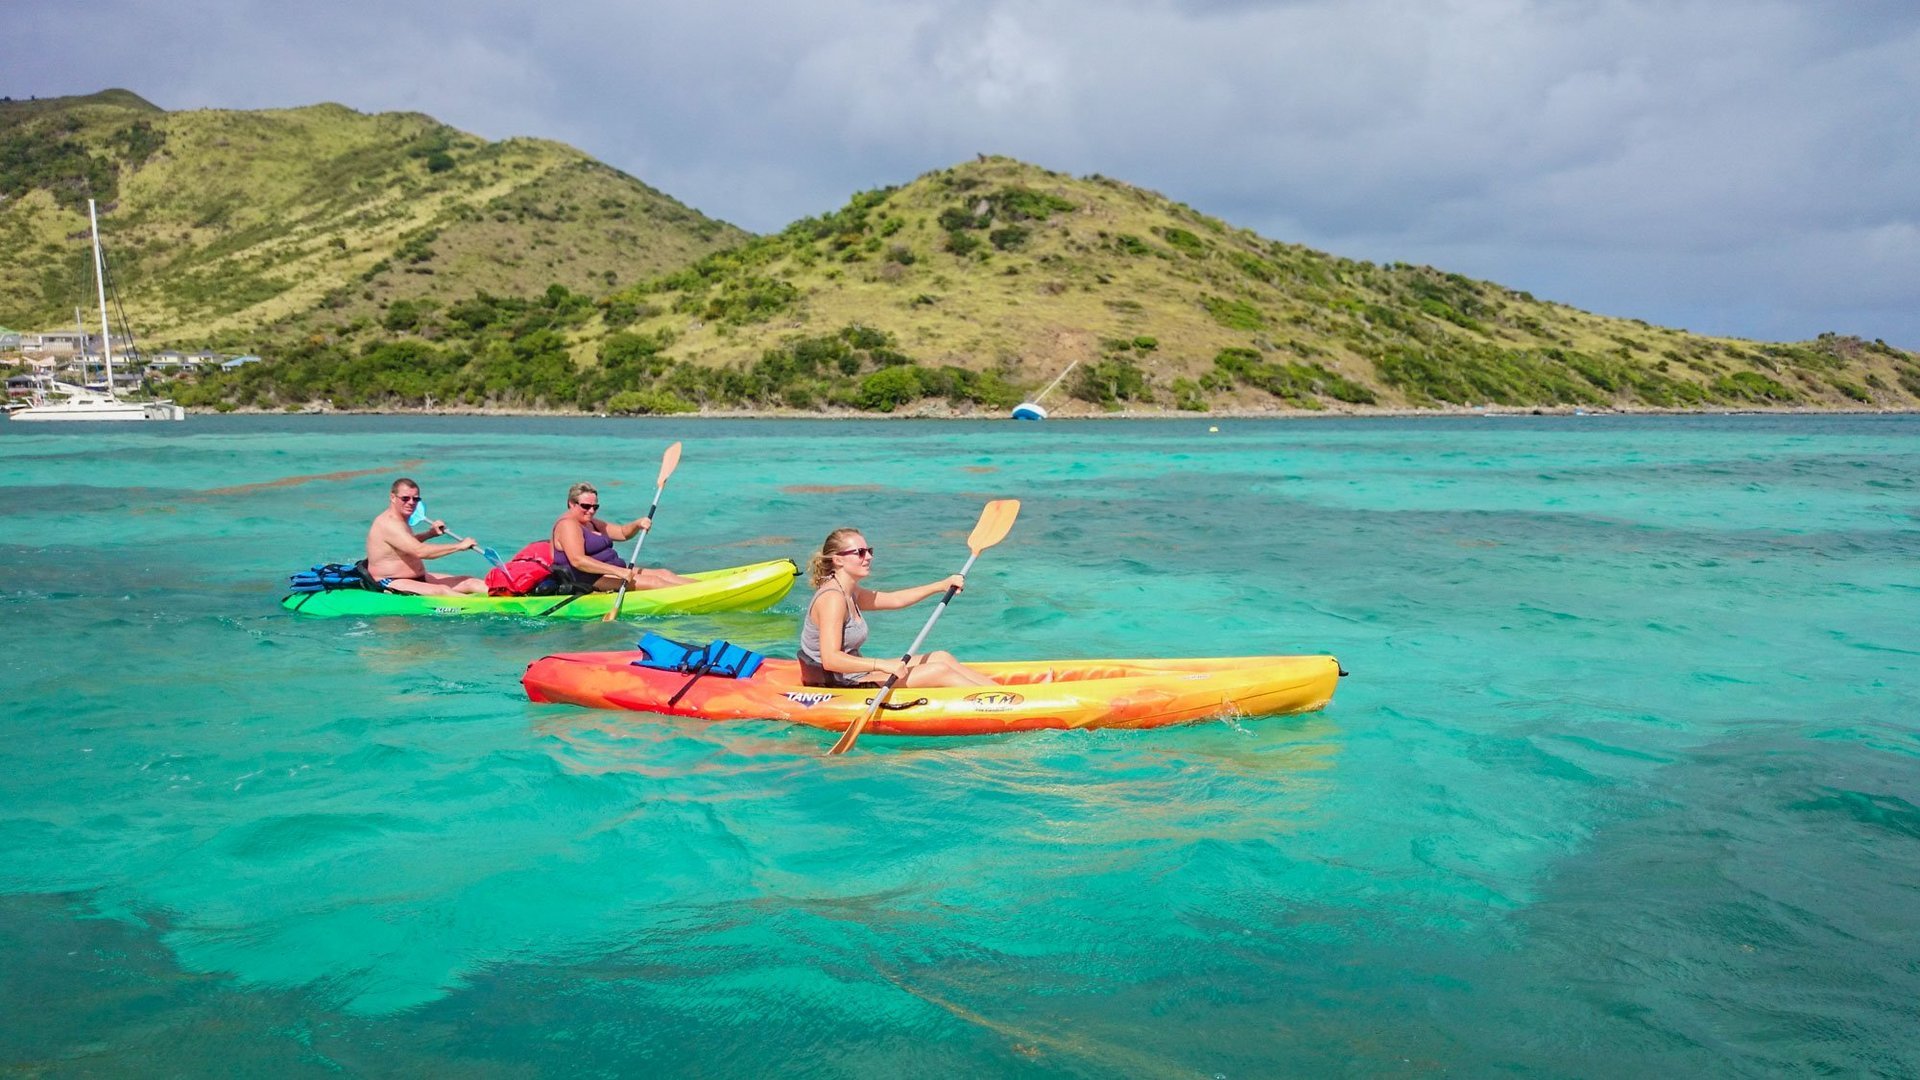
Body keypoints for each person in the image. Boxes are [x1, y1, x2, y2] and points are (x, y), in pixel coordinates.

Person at [797, 527, 996, 688]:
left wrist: (941, 585)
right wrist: (883, 665)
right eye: (860, 553)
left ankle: (1005, 694)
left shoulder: (851, 592)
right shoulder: (832, 598)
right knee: (939, 671)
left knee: (941, 658)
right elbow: (831, 660)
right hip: (839, 683)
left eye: (869, 551)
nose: (868, 557)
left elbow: (895, 599)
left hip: (856, 674)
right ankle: (1003, 703)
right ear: (838, 560)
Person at [548, 482, 695, 592]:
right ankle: (697, 594)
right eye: (586, 506)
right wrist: (618, 571)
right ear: (571, 504)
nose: (591, 511)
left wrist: (637, 524)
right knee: (655, 582)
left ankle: (704, 588)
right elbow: (578, 561)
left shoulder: (590, 522)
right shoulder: (568, 525)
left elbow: (622, 533)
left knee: (664, 573)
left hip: (612, 572)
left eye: (595, 507)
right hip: (591, 579)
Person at [364, 477, 486, 595]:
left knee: (469, 581)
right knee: (443, 591)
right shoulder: (389, 523)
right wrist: (458, 546)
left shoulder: (401, 519)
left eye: (415, 499)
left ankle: (503, 594)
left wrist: (429, 534)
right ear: (393, 497)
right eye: (405, 498)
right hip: (392, 581)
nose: (411, 503)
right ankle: (488, 608)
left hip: (419, 577)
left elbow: (404, 545)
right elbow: (420, 551)